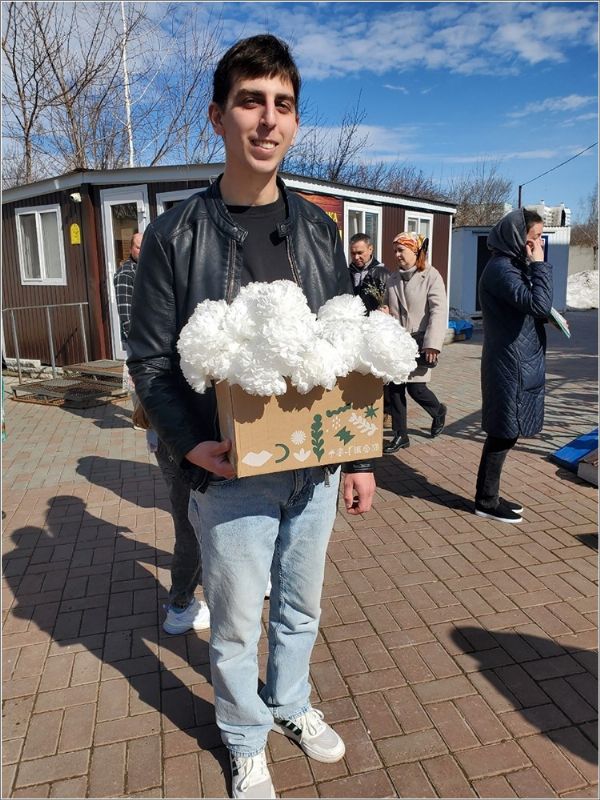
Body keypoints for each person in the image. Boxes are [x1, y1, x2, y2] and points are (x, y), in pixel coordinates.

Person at [127, 34, 375, 799]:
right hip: (230, 470)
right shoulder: (176, 234)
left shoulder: (319, 229)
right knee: (236, 623)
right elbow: (150, 361)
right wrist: (189, 444)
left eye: (283, 104)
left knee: (300, 605)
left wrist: (359, 457)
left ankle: (289, 702)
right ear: (218, 116)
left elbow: (347, 343)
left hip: (316, 466)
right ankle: (243, 738)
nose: (268, 119)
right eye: (250, 101)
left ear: (295, 121)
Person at [113, 233, 209, 635]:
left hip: (178, 433)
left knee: (196, 521)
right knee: (194, 523)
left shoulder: (167, 302)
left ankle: (192, 600)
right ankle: (182, 603)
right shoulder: (163, 308)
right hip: (186, 435)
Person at [475, 208, 552, 524]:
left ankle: (489, 494)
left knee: (506, 430)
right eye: (535, 237)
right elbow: (538, 304)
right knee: (503, 431)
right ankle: (486, 501)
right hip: (510, 362)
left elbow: (532, 308)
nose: (538, 244)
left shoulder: (511, 265)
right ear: (518, 237)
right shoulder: (501, 269)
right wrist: (540, 265)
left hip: (517, 359)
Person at [381, 231, 448, 453]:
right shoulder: (392, 279)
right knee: (395, 388)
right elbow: (387, 305)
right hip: (398, 345)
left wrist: (432, 343)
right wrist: (384, 312)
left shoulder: (431, 276)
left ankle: (438, 411)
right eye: (395, 251)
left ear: (415, 250)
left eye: (401, 250)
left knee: (416, 389)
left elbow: (438, 311)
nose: (397, 255)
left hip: (420, 342)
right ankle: (401, 435)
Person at [348, 232, 389, 312]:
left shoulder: (382, 274)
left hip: (374, 318)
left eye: (360, 253)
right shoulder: (346, 274)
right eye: (353, 253)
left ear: (370, 249)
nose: (356, 257)